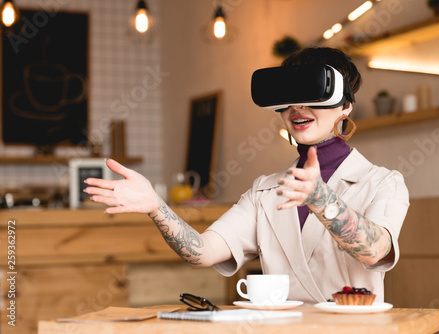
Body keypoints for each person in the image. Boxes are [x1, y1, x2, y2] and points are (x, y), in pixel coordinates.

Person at [84, 47, 409, 305]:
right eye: (287, 97)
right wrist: (156, 206)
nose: (297, 107)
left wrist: (320, 199)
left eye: (312, 93)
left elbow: (376, 251)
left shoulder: (382, 182)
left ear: (345, 106)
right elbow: (202, 252)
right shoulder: (264, 192)